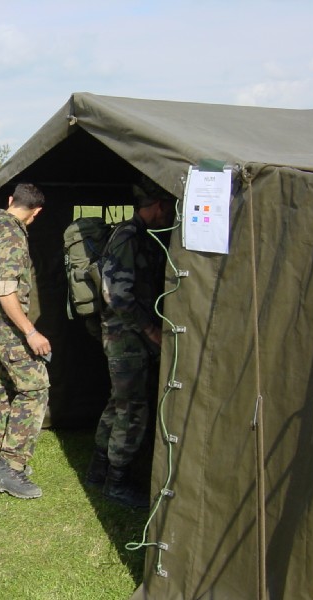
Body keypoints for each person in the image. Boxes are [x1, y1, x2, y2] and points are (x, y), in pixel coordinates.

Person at [84, 183, 175, 508]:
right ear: (159, 206)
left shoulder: (139, 235)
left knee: (119, 403)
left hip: (126, 334)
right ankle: (117, 482)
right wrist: (150, 330)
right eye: (169, 208)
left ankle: (98, 470)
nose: (170, 214)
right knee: (133, 408)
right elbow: (116, 294)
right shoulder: (129, 236)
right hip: (126, 337)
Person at [0, 183, 51, 500]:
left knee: (3, 390)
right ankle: (11, 468)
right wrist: (30, 331)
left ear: (9, 200)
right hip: (7, 330)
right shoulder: (12, 234)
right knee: (35, 389)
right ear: (36, 212)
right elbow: (5, 291)